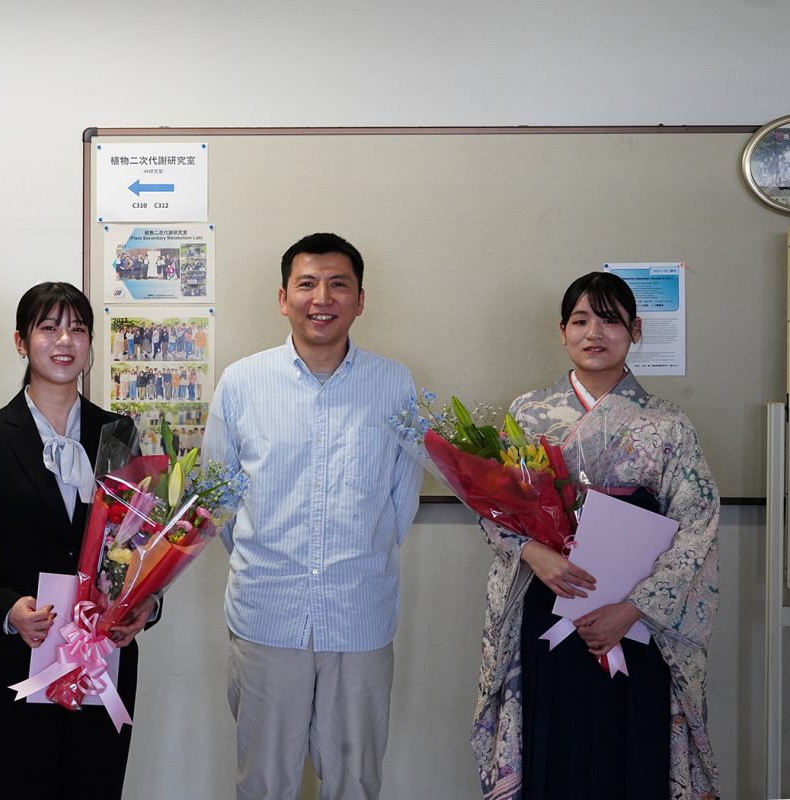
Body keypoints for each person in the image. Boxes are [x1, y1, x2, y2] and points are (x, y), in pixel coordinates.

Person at [472, 271, 720, 800]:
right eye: (581, 320)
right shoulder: (529, 413)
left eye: (609, 320)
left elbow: (697, 526)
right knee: (551, 737)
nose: (594, 333)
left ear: (635, 330)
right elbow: (496, 509)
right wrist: (533, 552)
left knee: (631, 742)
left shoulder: (668, 424)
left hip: (637, 617)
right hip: (548, 597)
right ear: (562, 330)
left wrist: (633, 608)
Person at [203, 232, 423, 800]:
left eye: (337, 285)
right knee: (264, 782)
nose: (322, 298)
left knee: (355, 781)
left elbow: (402, 498)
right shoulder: (242, 382)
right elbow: (220, 501)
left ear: (360, 299)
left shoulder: (394, 383)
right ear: (283, 298)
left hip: (359, 613)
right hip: (267, 613)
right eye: (307, 284)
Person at [0, 282, 157, 800]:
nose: (65, 340)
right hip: (22, 652)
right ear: (21, 342)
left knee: (96, 786)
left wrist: (145, 605)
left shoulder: (118, 433)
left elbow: (142, 543)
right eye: (48, 327)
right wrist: (7, 608)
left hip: (102, 656)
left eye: (77, 328)